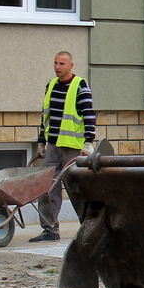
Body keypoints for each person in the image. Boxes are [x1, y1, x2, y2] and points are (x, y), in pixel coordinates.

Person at [33, 51, 95, 243]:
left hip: (72, 148)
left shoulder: (80, 86)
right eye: (55, 63)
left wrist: (89, 142)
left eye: (62, 63)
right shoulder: (50, 86)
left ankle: (90, 229)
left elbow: (89, 114)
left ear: (71, 66)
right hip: (53, 146)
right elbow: (45, 117)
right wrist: (41, 141)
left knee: (77, 189)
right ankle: (50, 229)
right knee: (48, 187)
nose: (57, 67)